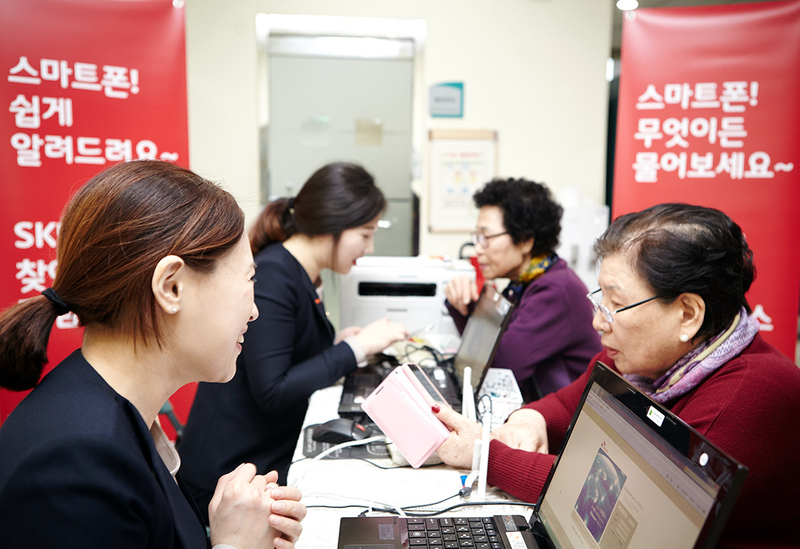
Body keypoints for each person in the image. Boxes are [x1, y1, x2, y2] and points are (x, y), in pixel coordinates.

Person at [434, 203, 800, 548]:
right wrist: (531, 419)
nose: (598, 322)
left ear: (688, 314)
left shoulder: (750, 396)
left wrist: (486, 456)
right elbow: (567, 400)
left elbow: (627, 510)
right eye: (601, 300)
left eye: (617, 304)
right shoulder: (648, 361)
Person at [0, 160, 306, 548]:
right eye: (249, 280)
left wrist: (234, 533)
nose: (255, 310)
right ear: (172, 287)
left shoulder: (112, 416)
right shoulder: (77, 463)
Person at [178, 162, 408, 520]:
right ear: (333, 225)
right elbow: (273, 390)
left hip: (254, 461)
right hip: (226, 476)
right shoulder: (274, 275)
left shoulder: (297, 274)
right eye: (365, 234)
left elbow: (287, 354)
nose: (370, 246)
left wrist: (340, 347)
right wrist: (355, 350)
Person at [444, 178, 601, 401]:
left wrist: (468, 309)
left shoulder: (555, 291)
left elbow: (498, 370)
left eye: (486, 237)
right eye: (477, 237)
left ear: (526, 240)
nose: (478, 248)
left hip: (566, 424)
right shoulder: (524, 283)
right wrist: (463, 304)